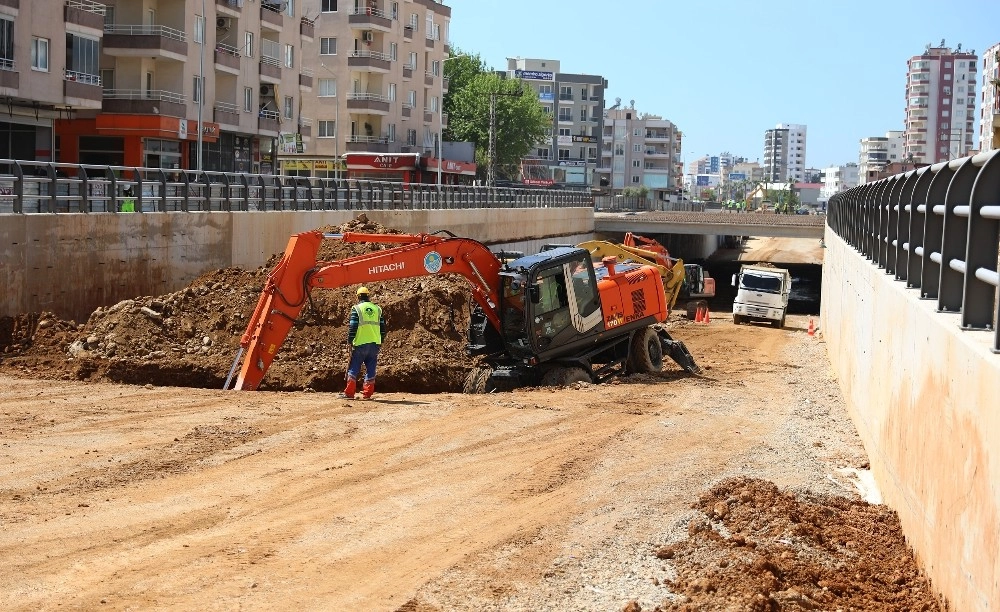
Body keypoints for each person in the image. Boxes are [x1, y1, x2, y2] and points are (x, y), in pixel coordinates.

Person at [341, 286, 386, 399]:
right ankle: (367, 393)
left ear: (358, 296)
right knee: (371, 368)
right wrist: (381, 340)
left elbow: (353, 326)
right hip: (375, 343)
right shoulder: (377, 309)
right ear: (368, 295)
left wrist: (350, 340)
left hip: (361, 343)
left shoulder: (357, 308)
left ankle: (349, 393)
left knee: (354, 367)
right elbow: (383, 328)